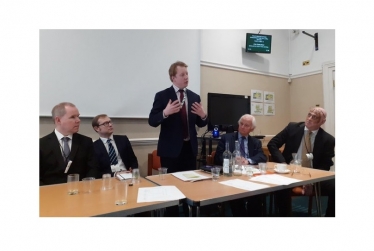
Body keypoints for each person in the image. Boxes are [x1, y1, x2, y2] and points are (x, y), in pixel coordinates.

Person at [148, 61, 207, 216]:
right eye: (182, 74)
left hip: (190, 150)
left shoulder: (194, 96)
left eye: (187, 74)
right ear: (173, 77)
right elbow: (152, 121)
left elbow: (201, 122)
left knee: (191, 187)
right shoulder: (162, 96)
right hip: (170, 152)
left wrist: (203, 115)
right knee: (171, 190)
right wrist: (165, 112)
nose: (186, 77)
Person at [267, 107, 335, 217]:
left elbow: (326, 164)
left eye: (314, 117)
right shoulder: (292, 128)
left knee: (335, 186)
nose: (309, 119)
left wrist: (311, 181)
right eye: (309, 114)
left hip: (312, 174)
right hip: (290, 172)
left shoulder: (328, 140)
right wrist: (283, 163)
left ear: (322, 122)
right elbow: (272, 144)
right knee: (281, 187)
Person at [214, 114, 267, 216]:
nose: (242, 127)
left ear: (252, 129)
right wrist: (232, 160)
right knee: (236, 197)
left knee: (256, 196)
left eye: (246, 125)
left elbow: (262, 157)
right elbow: (218, 157)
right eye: (241, 124)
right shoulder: (226, 138)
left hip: (250, 176)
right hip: (232, 177)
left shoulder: (255, 142)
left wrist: (248, 160)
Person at [40, 102, 99, 186]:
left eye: (78, 116)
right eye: (72, 117)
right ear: (58, 120)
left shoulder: (86, 142)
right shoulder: (42, 144)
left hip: (80, 192)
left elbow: (93, 169)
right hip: (51, 194)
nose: (78, 120)